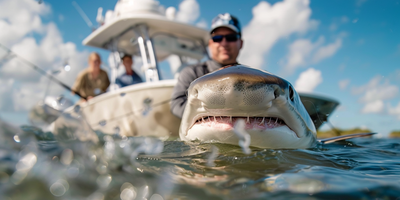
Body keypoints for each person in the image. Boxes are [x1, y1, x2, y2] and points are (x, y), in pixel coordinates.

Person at [170, 13, 243, 118]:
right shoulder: (192, 73)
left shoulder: (251, 76)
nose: (224, 43)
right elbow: (177, 105)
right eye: (217, 38)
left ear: (241, 43)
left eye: (231, 37)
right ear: (210, 44)